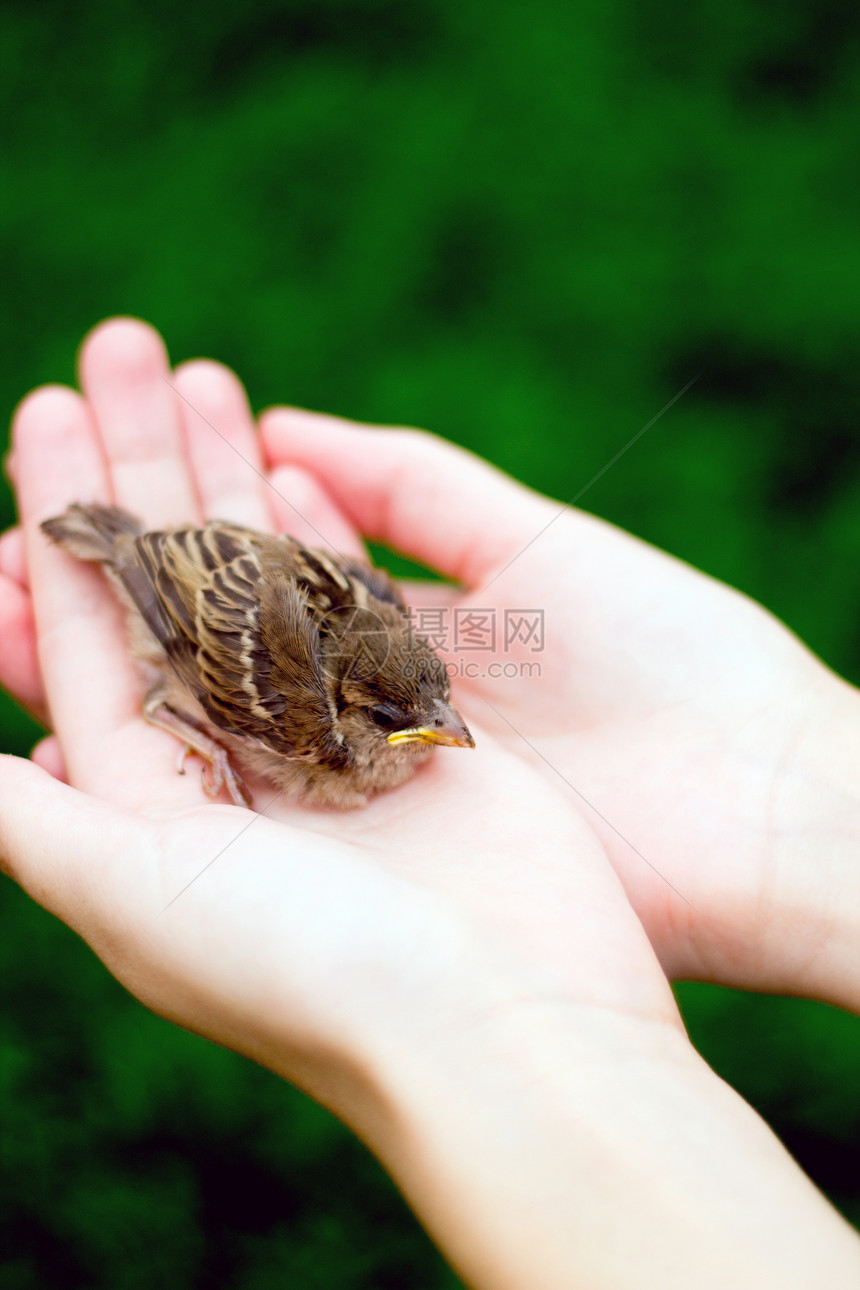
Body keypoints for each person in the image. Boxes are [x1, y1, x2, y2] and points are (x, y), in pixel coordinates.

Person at [1, 317, 858, 1287]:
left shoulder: (381, 628)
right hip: (174, 586)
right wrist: (171, 668)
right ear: (337, 713)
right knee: (173, 691)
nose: (443, 733)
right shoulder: (293, 715)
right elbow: (189, 621)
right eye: (402, 721)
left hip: (229, 568)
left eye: (438, 705)